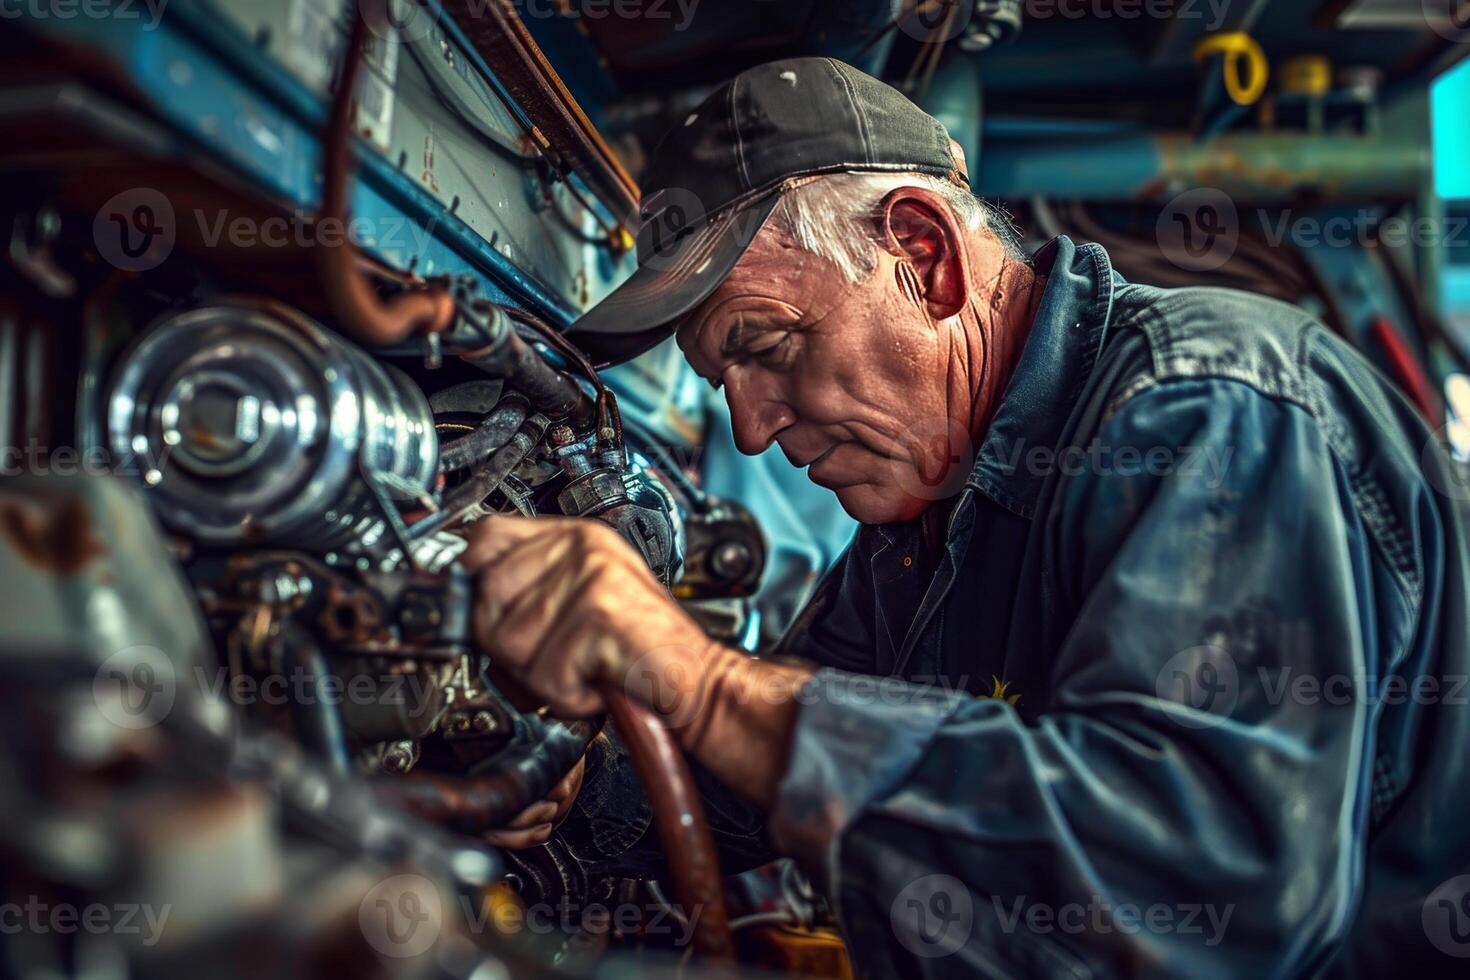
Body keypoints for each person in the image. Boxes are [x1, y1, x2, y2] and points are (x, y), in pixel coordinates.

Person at [464, 57, 1470, 976]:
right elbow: (749, 780)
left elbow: (1201, 890)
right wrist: (569, 786)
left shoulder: (1204, 407)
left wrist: (700, 676)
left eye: (764, 346)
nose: (755, 428)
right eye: (723, 378)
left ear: (924, 252)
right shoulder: (920, 528)